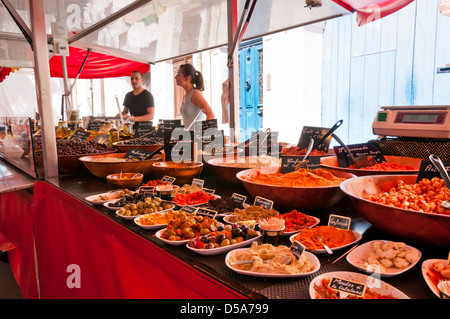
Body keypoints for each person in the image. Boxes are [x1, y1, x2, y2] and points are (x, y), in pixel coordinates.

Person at [175, 64, 215, 130]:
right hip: (188, 137)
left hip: (196, 139)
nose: (175, 77)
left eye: (178, 75)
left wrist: (203, 135)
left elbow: (211, 115)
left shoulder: (195, 94)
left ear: (187, 78)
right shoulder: (185, 96)